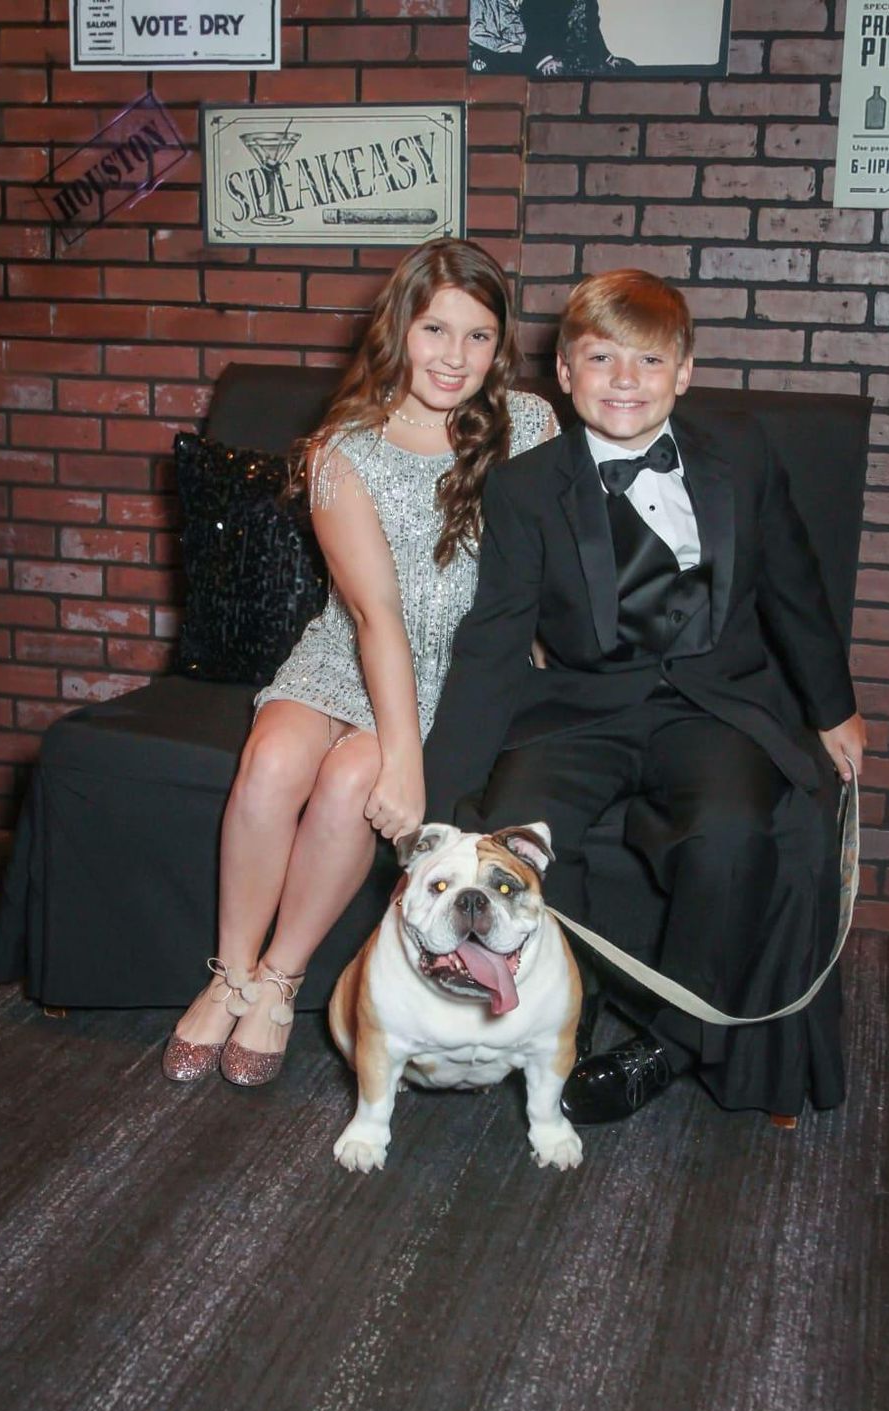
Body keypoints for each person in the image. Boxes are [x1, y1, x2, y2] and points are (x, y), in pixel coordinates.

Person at [422, 268, 866, 1124]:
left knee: (732, 835)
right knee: (519, 833)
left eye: (650, 361)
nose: (625, 381)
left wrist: (832, 706)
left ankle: (671, 1041)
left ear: (684, 372)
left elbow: (794, 589)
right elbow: (493, 642)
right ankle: (561, 1021)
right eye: (600, 359)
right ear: (563, 373)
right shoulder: (523, 486)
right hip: (580, 708)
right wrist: (442, 797)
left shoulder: (741, 455)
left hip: (712, 707)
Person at [163, 239, 558, 1087]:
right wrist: (408, 764)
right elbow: (374, 617)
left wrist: (410, 750)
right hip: (351, 651)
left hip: (454, 670)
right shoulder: (343, 446)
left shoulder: (528, 427)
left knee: (348, 781)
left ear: (500, 345)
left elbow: (556, 563)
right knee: (270, 762)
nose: (455, 357)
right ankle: (230, 975)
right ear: (399, 328)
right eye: (435, 329)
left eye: (479, 336)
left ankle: (280, 979)